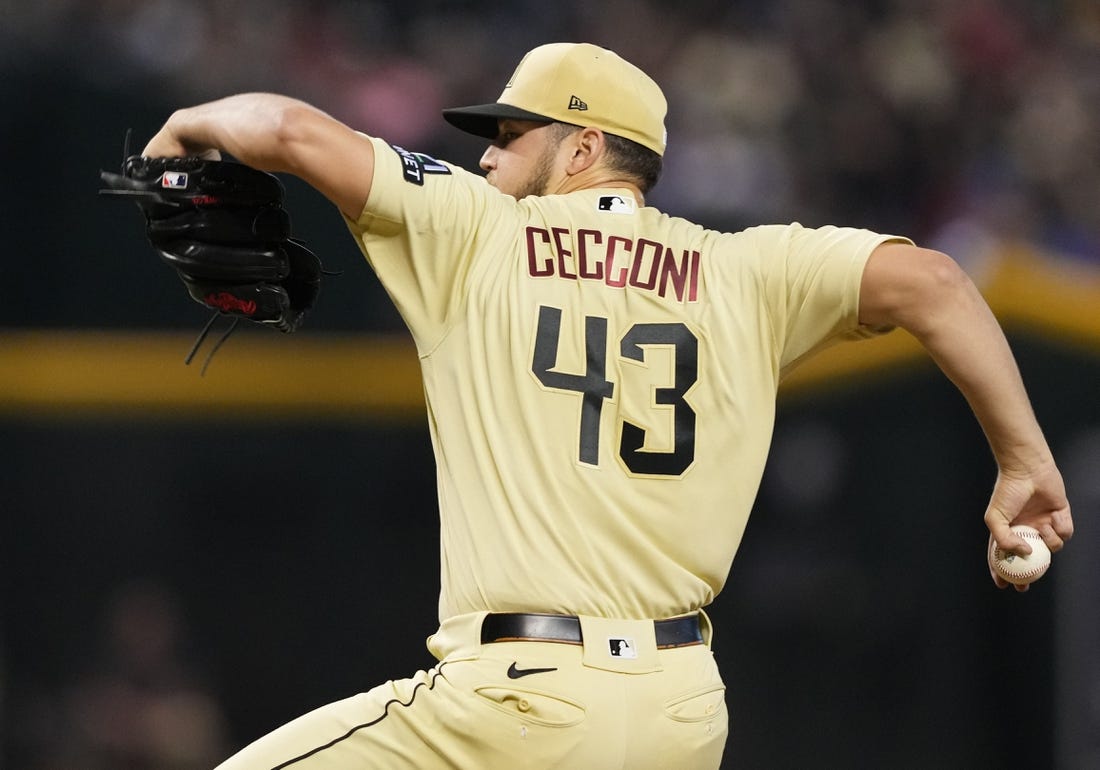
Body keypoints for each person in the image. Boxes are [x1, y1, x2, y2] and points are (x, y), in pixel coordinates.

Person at [139, 42, 1073, 769]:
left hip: (515, 704)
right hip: (680, 711)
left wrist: (183, 125)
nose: (489, 154)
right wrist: (1024, 462)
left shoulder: (478, 231)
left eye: (511, 135)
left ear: (583, 147)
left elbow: (293, 132)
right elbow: (940, 282)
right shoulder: (745, 270)